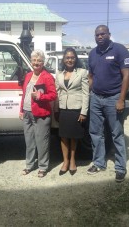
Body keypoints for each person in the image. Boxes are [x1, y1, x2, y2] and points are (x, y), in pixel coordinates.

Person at [87, 25, 129, 183]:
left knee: (116, 134)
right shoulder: (92, 53)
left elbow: (126, 76)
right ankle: (99, 162)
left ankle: (120, 167)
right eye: (97, 34)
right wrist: (90, 93)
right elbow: (91, 76)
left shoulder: (119, 50)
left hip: (114, 99)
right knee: (95, 133)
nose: (99, 36)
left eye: (102, 34)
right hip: (96, 98)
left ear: (109, 35)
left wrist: (121, 99)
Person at [19, 49, 57, 178]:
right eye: (34, 60)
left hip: (41, 114)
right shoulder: (28, 75)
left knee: (42, 142)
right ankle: (29, 165)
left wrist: (40, 96)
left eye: (39, 61)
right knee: (29, 141)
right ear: (31, 61)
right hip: (27, 113)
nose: (36, 63)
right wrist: (21, 110)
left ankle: (43, 167)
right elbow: (24, 94)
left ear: (43, 62)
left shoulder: (47, 77)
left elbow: (53, 95)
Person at [54, 48, 89, 176]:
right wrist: (56, 109)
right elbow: (57, 92)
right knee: (63, 136)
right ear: (64, 59)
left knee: (74, 137)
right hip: (63, 108)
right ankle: (65, 161)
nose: (70, 60)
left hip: (76, 109)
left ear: (76, 59)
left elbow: (86, 94)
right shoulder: (59, 74)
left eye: (72, 57)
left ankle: (73, 160)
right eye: (67, 57)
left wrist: (83, 112)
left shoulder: (82, 72)